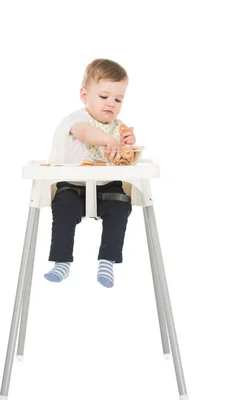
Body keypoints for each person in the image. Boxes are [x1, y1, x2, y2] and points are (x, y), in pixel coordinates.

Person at [45, 58, 137, 288]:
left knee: (121, 206)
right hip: (73, 184)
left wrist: (127, 146)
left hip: (107, 185)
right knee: (63, 208)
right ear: (85, 96)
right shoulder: (77, 119)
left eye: (118, 99)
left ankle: (107, 261)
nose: (111, 104)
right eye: (104, 97)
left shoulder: (119, 126)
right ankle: (62, 261)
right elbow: (85, 132)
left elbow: (124, 161)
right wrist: (108, 139)